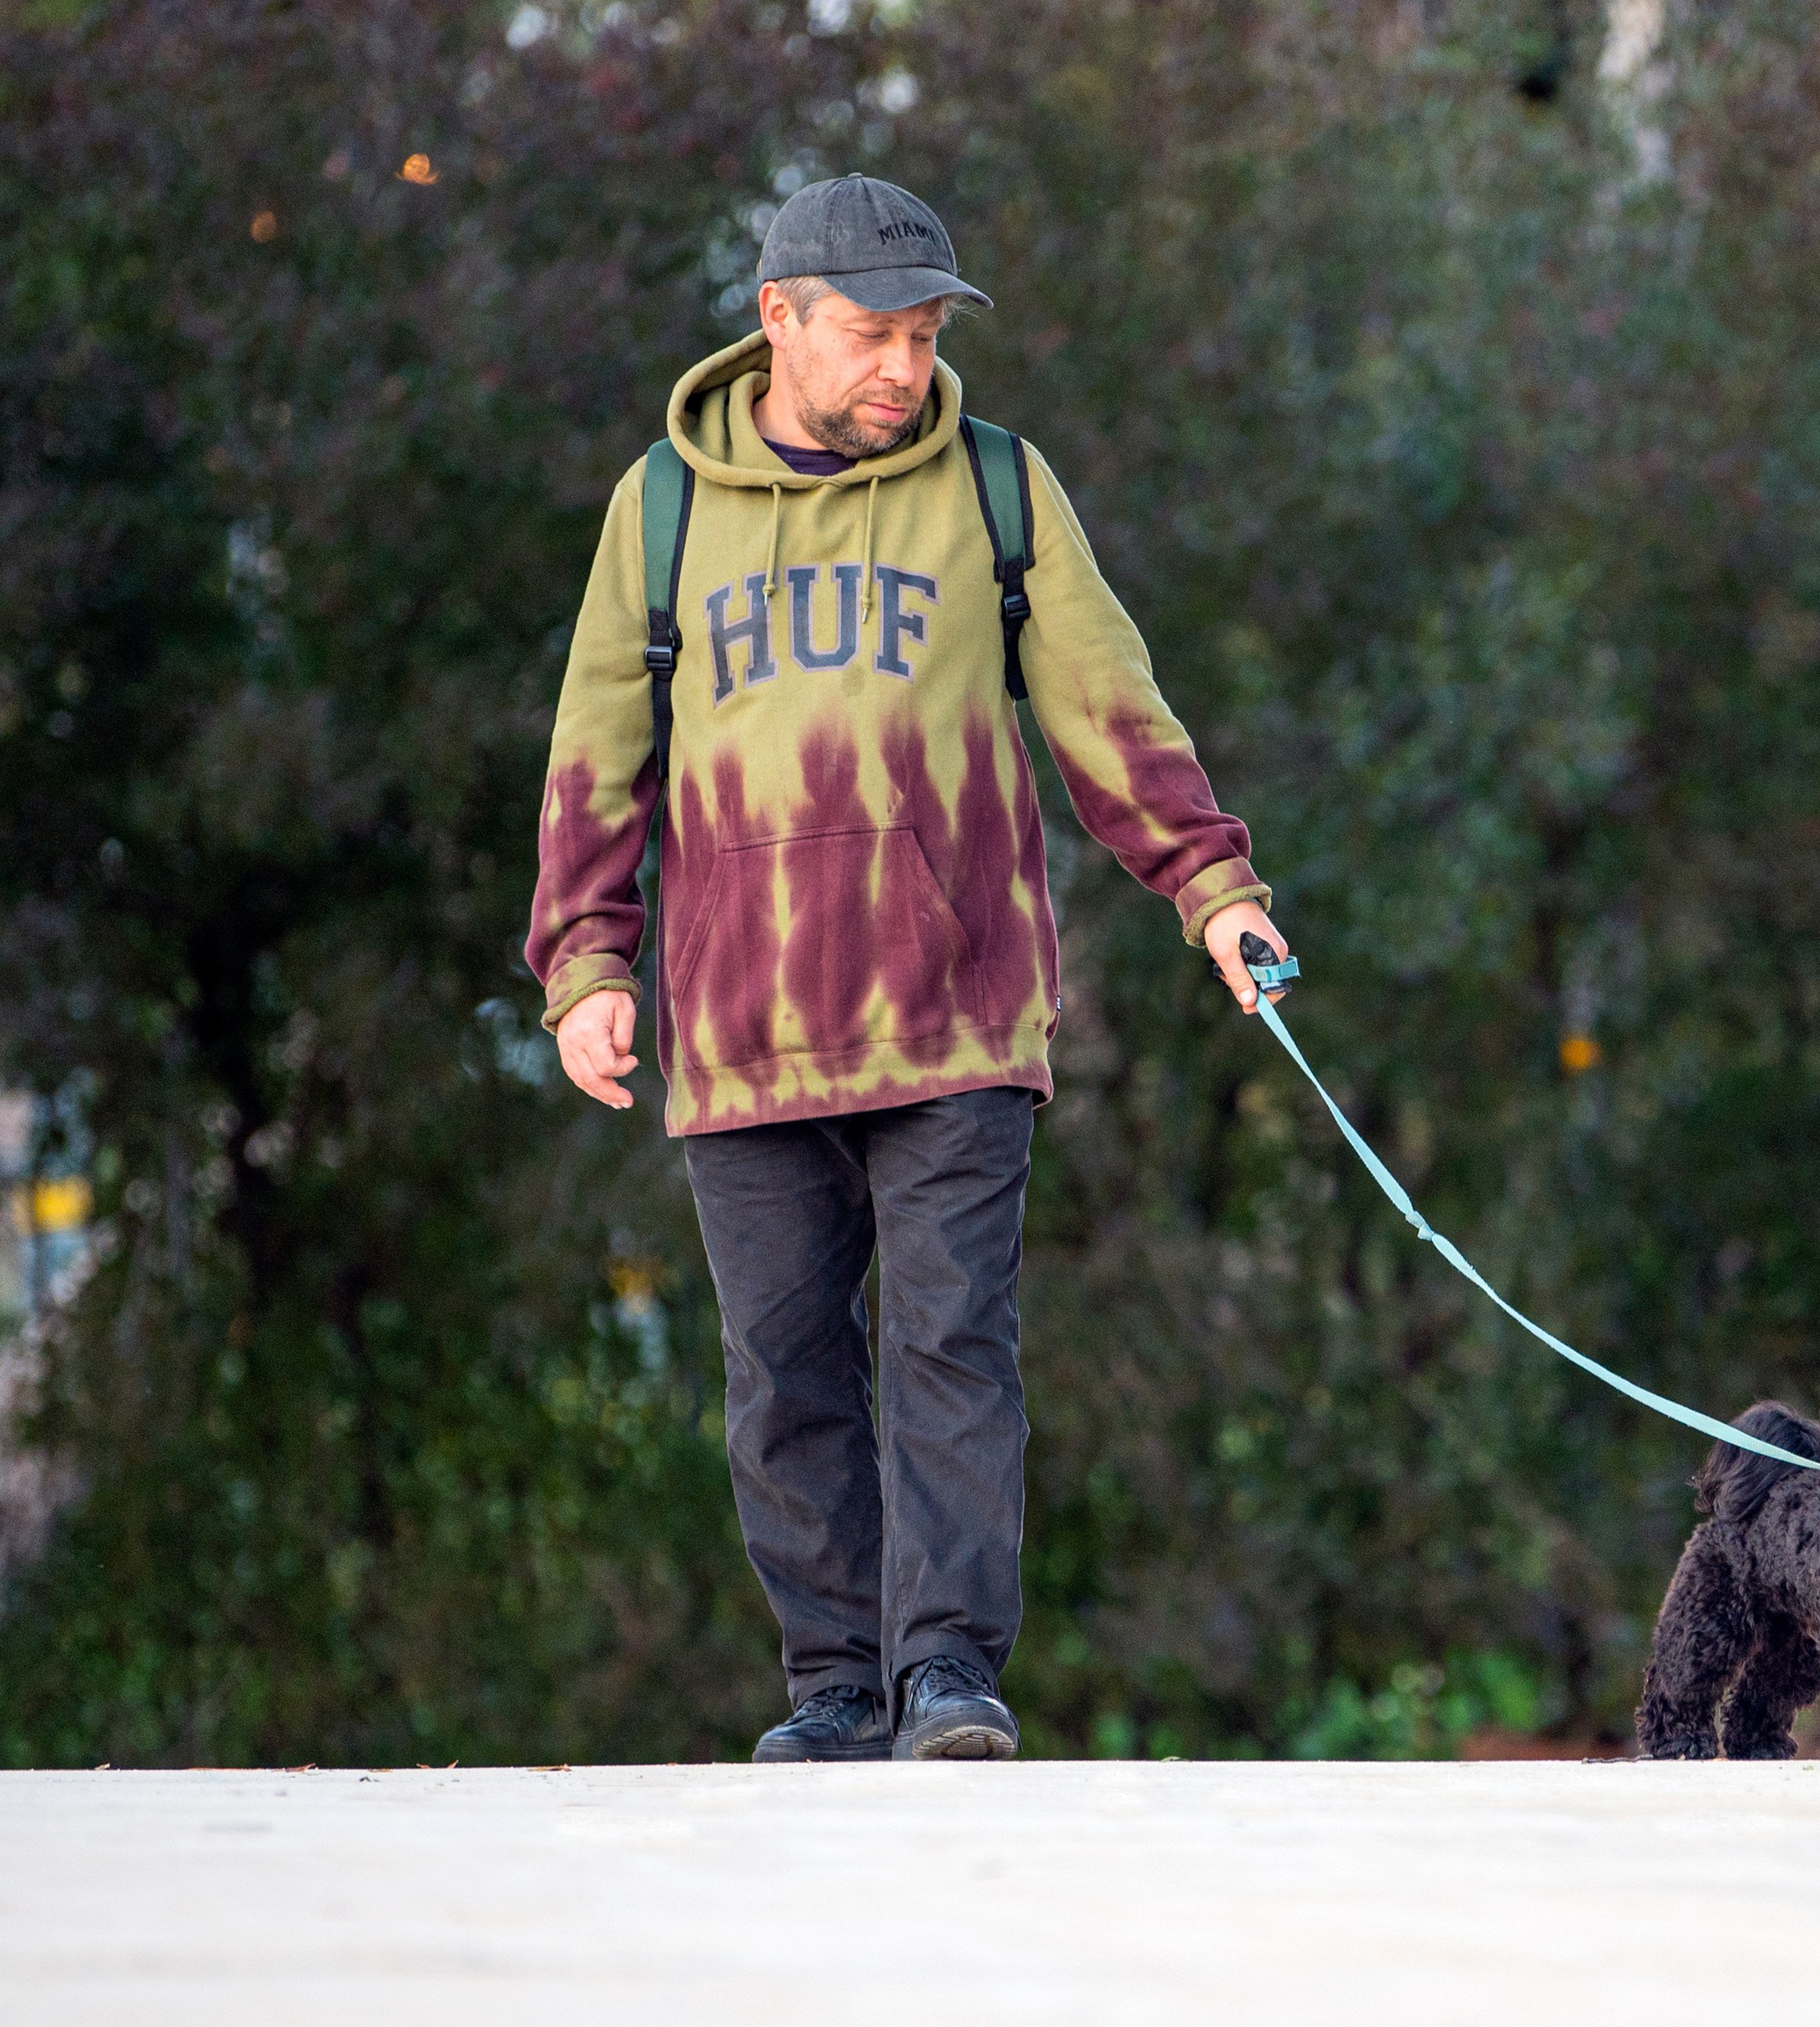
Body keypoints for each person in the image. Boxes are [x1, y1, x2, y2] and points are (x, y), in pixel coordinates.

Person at [528, 174, 1285, 1761]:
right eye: (873, 333)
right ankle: (830, 1687)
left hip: (957, 999)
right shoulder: (660, 510)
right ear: (778, 321)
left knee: (952, 1348)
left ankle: (946, 1678)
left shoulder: (998, 491)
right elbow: (599, 750)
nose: (904, 367)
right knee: (786, 1375)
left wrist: (1215, 890)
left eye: (927, 333)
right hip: (743, 1018)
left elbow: (1106, 703)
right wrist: (587, 960)